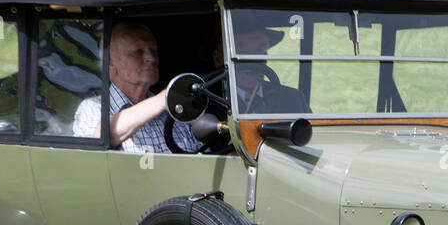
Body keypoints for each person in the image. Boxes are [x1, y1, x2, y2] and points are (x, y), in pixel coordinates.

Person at [73, 22, 202, 152]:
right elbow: (99, 141)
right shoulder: (94, 108)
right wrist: (166, 96)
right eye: (137, 52)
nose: (151, 58)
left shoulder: (175, 113)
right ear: (111, 62)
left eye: (154, 51)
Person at [209, 18, 312, 115]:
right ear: (219, 59)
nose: (253, 61)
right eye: (240, 53)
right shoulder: (206, 103)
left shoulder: (293, 99)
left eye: (259, 51)